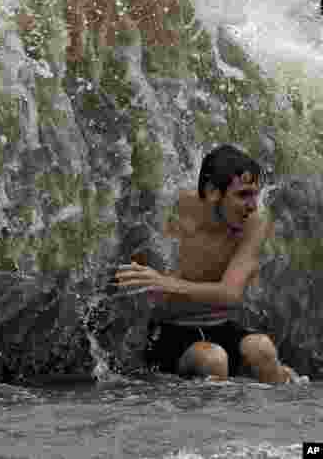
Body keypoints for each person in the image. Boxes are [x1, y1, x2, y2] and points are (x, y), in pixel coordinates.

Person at [115, 144, 304, 384]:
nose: (253, 205)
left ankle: (279, 412)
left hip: (220, 326)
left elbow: (230, 294)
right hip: (170, 333)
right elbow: (131, 284)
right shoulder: (169, 213)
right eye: (243, 194)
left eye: (255, 194)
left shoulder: (254, 223)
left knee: (263, 349)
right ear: (213, 191)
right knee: (214, 360)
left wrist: (166, 283)